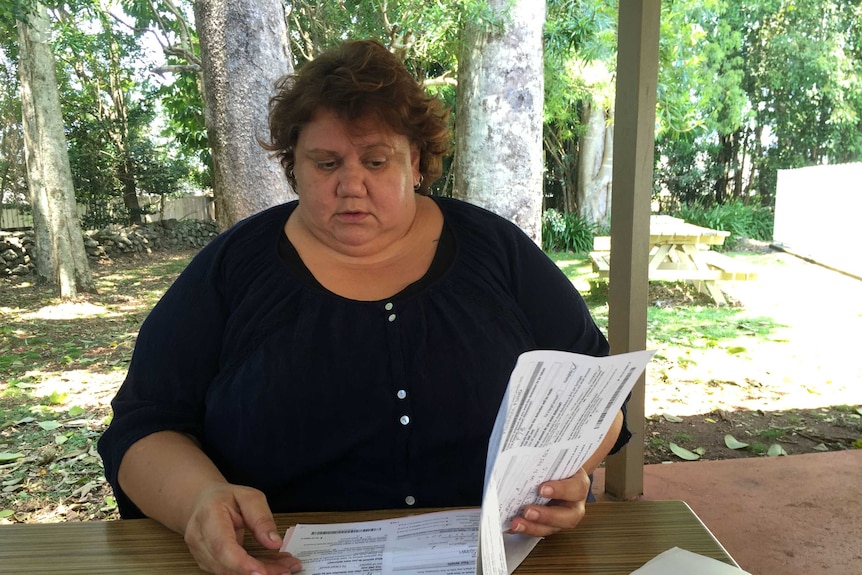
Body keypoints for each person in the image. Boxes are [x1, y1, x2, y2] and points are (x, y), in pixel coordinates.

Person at [97, 39, 630, 575]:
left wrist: (564, 481)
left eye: (377, 160)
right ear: (293, 167)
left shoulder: (498, 251)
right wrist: (198, 500)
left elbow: (596, 395)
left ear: (416, 162)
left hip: (500, 560)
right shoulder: (233, 268)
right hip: (271, 563)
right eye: (325, 163)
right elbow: (142, 428)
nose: (351, 185)